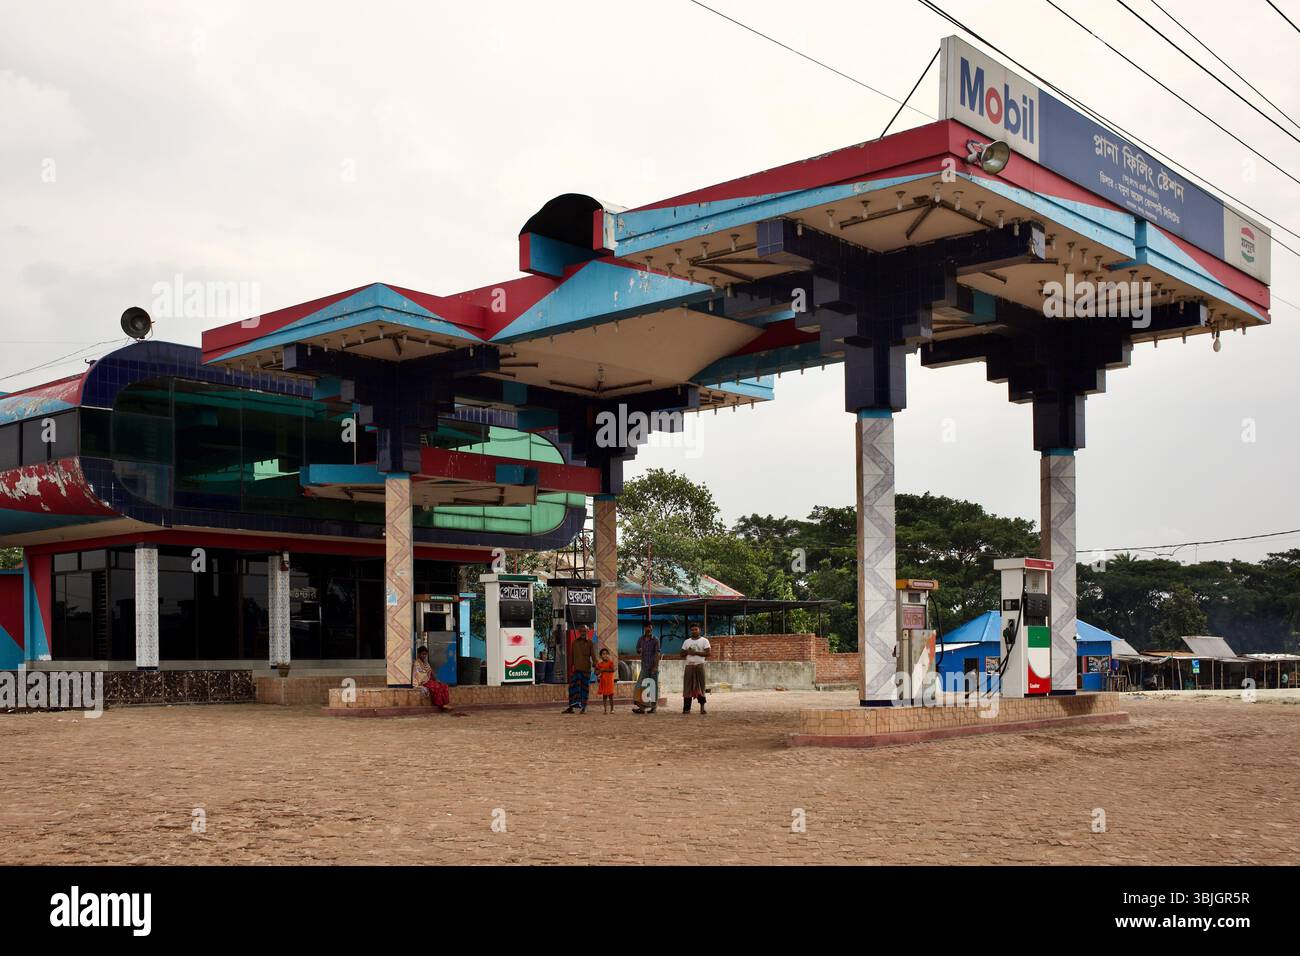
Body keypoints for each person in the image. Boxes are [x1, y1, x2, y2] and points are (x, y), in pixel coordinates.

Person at [680, 624, 711, 714]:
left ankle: (702, 707)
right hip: (689, 666)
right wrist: (688, 652)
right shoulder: (686, 642)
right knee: (687, 687)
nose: (694, 631)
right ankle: (686, 708)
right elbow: (681, 653)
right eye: (692, 630)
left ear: (699, 630)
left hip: (699, 665)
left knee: (701, 687)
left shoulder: (704, 641)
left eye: (696, 629)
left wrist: (695, 652)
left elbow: (708, 653)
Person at [564, 626, 594, 713]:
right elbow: (571, 656)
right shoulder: (574, 643)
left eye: (585, 631)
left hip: (586, 670)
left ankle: (583, 707)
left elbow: (593, 656)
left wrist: (597, 667)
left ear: (587, 632)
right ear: (579, 632)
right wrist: (570, 667)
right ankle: (571, 707)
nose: (583, 633)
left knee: (584, 689)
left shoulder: (590, 643)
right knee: (572, 688)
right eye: (581, 631)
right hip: (576, 669)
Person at [633, 623, 660, 714]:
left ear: (652, 628)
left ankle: (653, 707)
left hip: (653, 666)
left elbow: (657, 653)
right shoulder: (641, 639)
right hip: (644, 666)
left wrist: (655, 667)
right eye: (647, 627)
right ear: (644, 628)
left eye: (650, 627)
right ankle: (642, 707)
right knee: (641, 686)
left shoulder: (655, 639)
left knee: (652, 686)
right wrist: (639, 650)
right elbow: (637, 649)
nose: (648, 629)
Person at [413, 646, 450, 711]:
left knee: (444, 686)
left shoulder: (426, 663)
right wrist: (427, 678)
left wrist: (436, 680)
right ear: (419, 654)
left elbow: (430, 671)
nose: (424, 656)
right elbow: (419, 675)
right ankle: (440, 705)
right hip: (422, 682)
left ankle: (446, 703)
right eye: (422, 654)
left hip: (429, 680)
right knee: (436, 687)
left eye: (425, 654)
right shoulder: (417, 663)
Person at [594, 647, 617, 714]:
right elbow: (596, 672)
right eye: (603, 654)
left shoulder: (610, 663)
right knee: (604, 696)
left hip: (609, 682)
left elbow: (612, 670)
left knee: (610, 696)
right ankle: (605, 709)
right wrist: (597, 671)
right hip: (603, 682)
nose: (605, 655)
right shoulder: (600, 664)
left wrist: (603, 670)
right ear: (601, 656)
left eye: (606, 654)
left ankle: (612, 709)